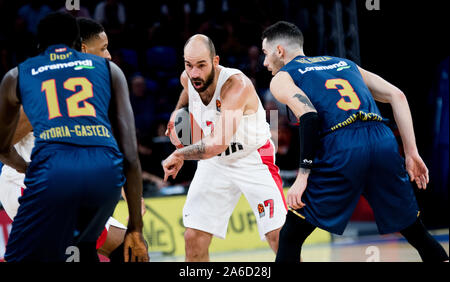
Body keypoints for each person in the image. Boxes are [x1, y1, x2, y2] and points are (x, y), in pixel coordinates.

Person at [260, 21, 449, 262]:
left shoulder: (283, 77)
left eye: (266, 54)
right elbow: (397, 95)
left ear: (279, 51)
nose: (265, 63)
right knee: (415, 229)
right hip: (382, 139)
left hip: (342, 145)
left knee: (291, 235)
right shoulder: (344, 63)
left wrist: (303, 175)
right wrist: (412, 153)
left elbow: (309, 116)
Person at [0, 12, 148, 262]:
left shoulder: (95, 83)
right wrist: (30, 169)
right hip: (27, 183)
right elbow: (4, 144)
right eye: (103, 49)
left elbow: (113, 148)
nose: (109, 55)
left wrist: (131, 194)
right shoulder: (41, 84)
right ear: (81, 49)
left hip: (67, 179)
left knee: (125, 250)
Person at [162, 34, 287, 262]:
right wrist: (176, 112)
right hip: (216, 163)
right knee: (193, 238)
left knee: (278, 236)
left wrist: (180, 153)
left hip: (253, 157)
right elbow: (187, 89)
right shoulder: (188, 78)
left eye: (201, 65)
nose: (195, 73)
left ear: (215, 61)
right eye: (189, 65)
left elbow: (217, 143)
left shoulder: (236, 85)